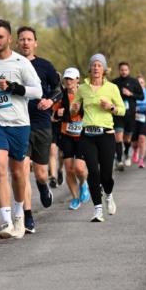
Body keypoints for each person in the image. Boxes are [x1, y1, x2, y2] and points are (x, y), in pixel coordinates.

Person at [0, 19, 42, 239]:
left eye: (0, 37)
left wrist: (14, 88)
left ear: (9, 39)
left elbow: (37, 91)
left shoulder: (21, 63)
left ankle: (20, 215)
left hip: (19, 123)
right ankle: (6, 222)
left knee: (18, 173)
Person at [16, 26, 61, 234]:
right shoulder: (12, 65)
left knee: (41, 173)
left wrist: (50, 101)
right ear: (17, 42)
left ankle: (43, 186)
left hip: (42, 124)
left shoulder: (45, 66)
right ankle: (28, 216)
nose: (25, 42)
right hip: (19, 123)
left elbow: (58, 90)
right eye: (22, 39)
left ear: (35, 43)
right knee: (23, 171)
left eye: (29, 39)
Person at [77, 54, 125, 222]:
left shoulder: (112, 88)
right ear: (90, 69)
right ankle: (97, 210)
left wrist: (111, 107)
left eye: (99, 65)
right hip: (87, 135)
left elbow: (122, 110)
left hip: (106, 135)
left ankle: (109, 195)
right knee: (93, 172)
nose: (96, 68)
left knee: (106, 174)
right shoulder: (82, 88)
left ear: (104, 69)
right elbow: (74, 107)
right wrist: (74, 108)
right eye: (94, 65)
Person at [50, 68, 89, 210]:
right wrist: (57, 114)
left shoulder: (85, 94)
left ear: (78, 80)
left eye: (71, 79)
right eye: (66, 79)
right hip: (66, 135)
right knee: (69, 168)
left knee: (79, 168)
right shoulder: (61, 96)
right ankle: (75, 198)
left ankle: (84, 183)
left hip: (82, 135)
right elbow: (53, 117)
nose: (68, 82)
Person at [111, 61, 143, 170]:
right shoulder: (114, 83)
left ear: (129, 70)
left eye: (125, 70)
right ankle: (119, 160)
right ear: (119, 70)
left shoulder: (134, 82)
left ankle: (126, 152)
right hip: (118, 114)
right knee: (118, 137)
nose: (123, 72)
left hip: (130, 114)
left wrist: (131, 94)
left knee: (128, 138)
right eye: (121, 70)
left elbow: (141, 96)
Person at [132, 76, 146, 169]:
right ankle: (135, 150)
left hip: (145, 117)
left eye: (141, 82)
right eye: (138, 83)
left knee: (142, 138)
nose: (140, 84)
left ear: (144, 84)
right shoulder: (132, 93)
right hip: (134, 118)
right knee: (134, 142)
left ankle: (141, 160)